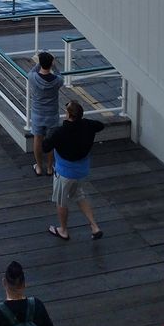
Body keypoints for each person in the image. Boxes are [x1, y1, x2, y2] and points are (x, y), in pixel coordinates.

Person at [42, 100, 104, 241]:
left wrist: (48, 134)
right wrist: (85, 123)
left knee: (61, 202)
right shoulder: (88, 125)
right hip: (81, 171)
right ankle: (94, 226)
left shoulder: (60, 132)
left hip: (64, 173)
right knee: (79, 196)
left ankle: (63, 230)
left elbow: (45, 147)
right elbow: (100, 125)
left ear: (68, 115)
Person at [28, 51, 64, 176]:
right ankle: (49, 167)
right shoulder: (57, 81)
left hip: (38, 114)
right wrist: (54, 65)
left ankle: (38, 167)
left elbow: (32, 71)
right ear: (51, 63)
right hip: (52, 115)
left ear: (40, 63)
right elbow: (60, 76)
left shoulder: (33, 77)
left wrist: (39, 63)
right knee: (50, 141)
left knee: (37, 140)